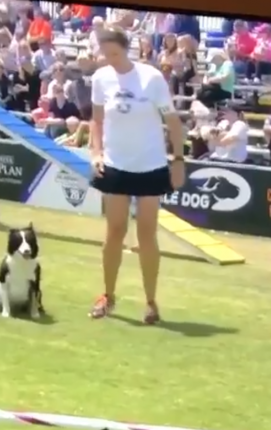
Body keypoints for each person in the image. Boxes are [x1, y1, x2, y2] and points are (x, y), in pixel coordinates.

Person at [87, 27, 186, 325]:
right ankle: (107, 295)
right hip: (115, 165)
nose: (110, 59)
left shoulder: (151, 78)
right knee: (114, 232)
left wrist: (178, 161)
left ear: (126, 49)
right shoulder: (100, 78)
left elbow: (173, 122)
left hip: (150, 165)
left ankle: (151, 302)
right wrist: (96, 152)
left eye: (114, 53)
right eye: (105, 54)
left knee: (146, 235)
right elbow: (96, 119)